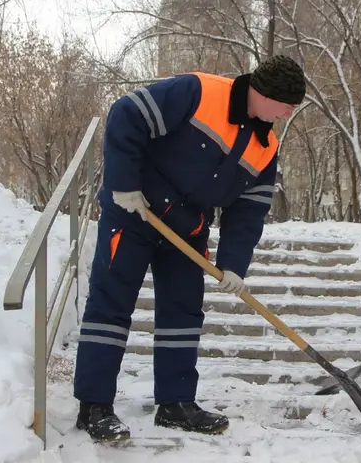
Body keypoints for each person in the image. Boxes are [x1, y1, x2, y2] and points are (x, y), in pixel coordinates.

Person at [73, 55, 307, 441]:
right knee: (110, 305)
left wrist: (234, 264)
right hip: (134, 213)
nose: (287, 113)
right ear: (263, 94)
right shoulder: (199, 91)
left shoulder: (266, 146)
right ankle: (94, 406)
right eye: (285, 105)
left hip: (187, 231)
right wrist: (124, 183)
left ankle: (176, 403)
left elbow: (249, 210)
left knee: (182, 314)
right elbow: (126, 113)